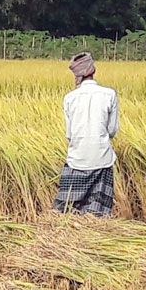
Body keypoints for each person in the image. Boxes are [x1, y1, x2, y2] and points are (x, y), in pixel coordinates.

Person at [54, 52, 119, 217]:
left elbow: (69, 135)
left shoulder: (69, 98)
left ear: (76, 75)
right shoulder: (109, 94)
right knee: (98, 214)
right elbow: (111, 130)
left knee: (66, 212)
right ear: (93, 71)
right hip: (102, 159)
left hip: (77, 160)